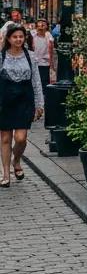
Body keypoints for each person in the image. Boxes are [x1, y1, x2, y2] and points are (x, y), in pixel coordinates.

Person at [0, 25, 44, 187]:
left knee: (21, 138)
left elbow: (36, 81)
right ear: (8, 39)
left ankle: (16, 160)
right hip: (5, 100)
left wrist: (40, 104)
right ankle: (5, 174)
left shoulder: (30, 56)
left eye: (21, 36)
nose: (18, 39)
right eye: (15, 37)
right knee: (5, 138)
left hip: (24, 100)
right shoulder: (1, 56)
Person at [33, 18, 55, 86]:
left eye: (43, 24)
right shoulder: (33, 36)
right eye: (39, 24)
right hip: (34, 62)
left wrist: (52, 65)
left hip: (44, 63)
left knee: (44, 82)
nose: (41, 26)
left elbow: (51, 50)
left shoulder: (48, 35)